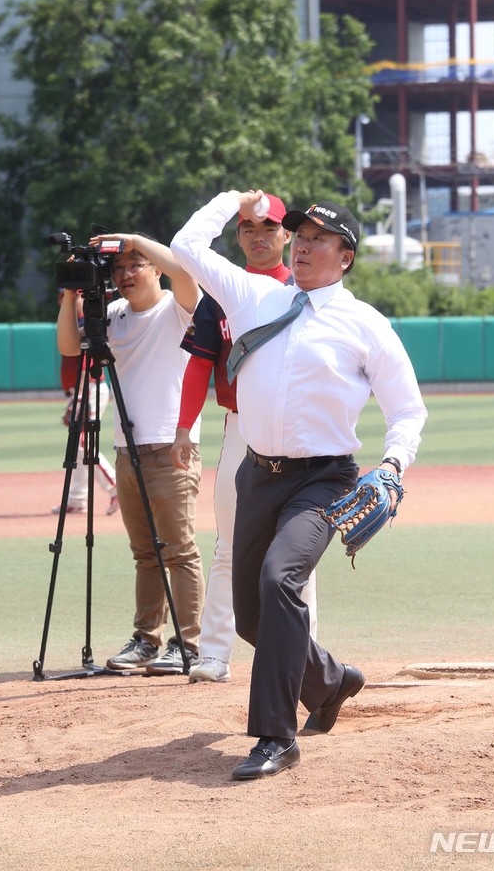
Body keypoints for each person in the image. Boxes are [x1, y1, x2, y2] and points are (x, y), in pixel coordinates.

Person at [171, 190, 427, 779]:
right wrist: (231, 199)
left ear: (346, 258)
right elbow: (187, 246)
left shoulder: (365, 323)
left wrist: (392, 465)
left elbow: (407, 411)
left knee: (279, 578)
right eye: (303, 235)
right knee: (251, 618)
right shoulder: (255, 293)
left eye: (321, 239)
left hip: (325, 479)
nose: (306, 245)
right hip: (257, 474)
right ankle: (332, 681)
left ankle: (274, 737)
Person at [170, 194, 318, 686]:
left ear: (285, 235)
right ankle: (212, 653)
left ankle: (305, 654)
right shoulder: (222, 291)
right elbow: (199, 363)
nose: (260, 236)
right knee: (230, 545)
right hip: (240, 426)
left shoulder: (310, 287)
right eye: (249, 228)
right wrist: (184, 427)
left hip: (295, 432)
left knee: (299, 547)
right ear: (237, 236)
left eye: (269, 227)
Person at [57, 235, 205, 675]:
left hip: (171, 446)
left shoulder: (177, 309)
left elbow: (184, 271)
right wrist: (70, 294)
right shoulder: (114, 315)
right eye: (118, 267)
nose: (124, 274)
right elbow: (69, 347)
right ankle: (146, 639)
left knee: (178, 550)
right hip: (127, 447)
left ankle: (188, 643)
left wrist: (134, 239)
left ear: (154, 268)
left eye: (134, 264)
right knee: (145, 553)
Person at [53, 289, 119, 517]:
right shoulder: (70, 323)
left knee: (83, 444)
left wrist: (77, 400)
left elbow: (85, 367)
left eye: (73, 295)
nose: (67, 299)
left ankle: (115, 487)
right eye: (62, 296)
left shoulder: (84, 324)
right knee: (79, 445)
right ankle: (76, 499)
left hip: (89, 388)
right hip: (83, 390)